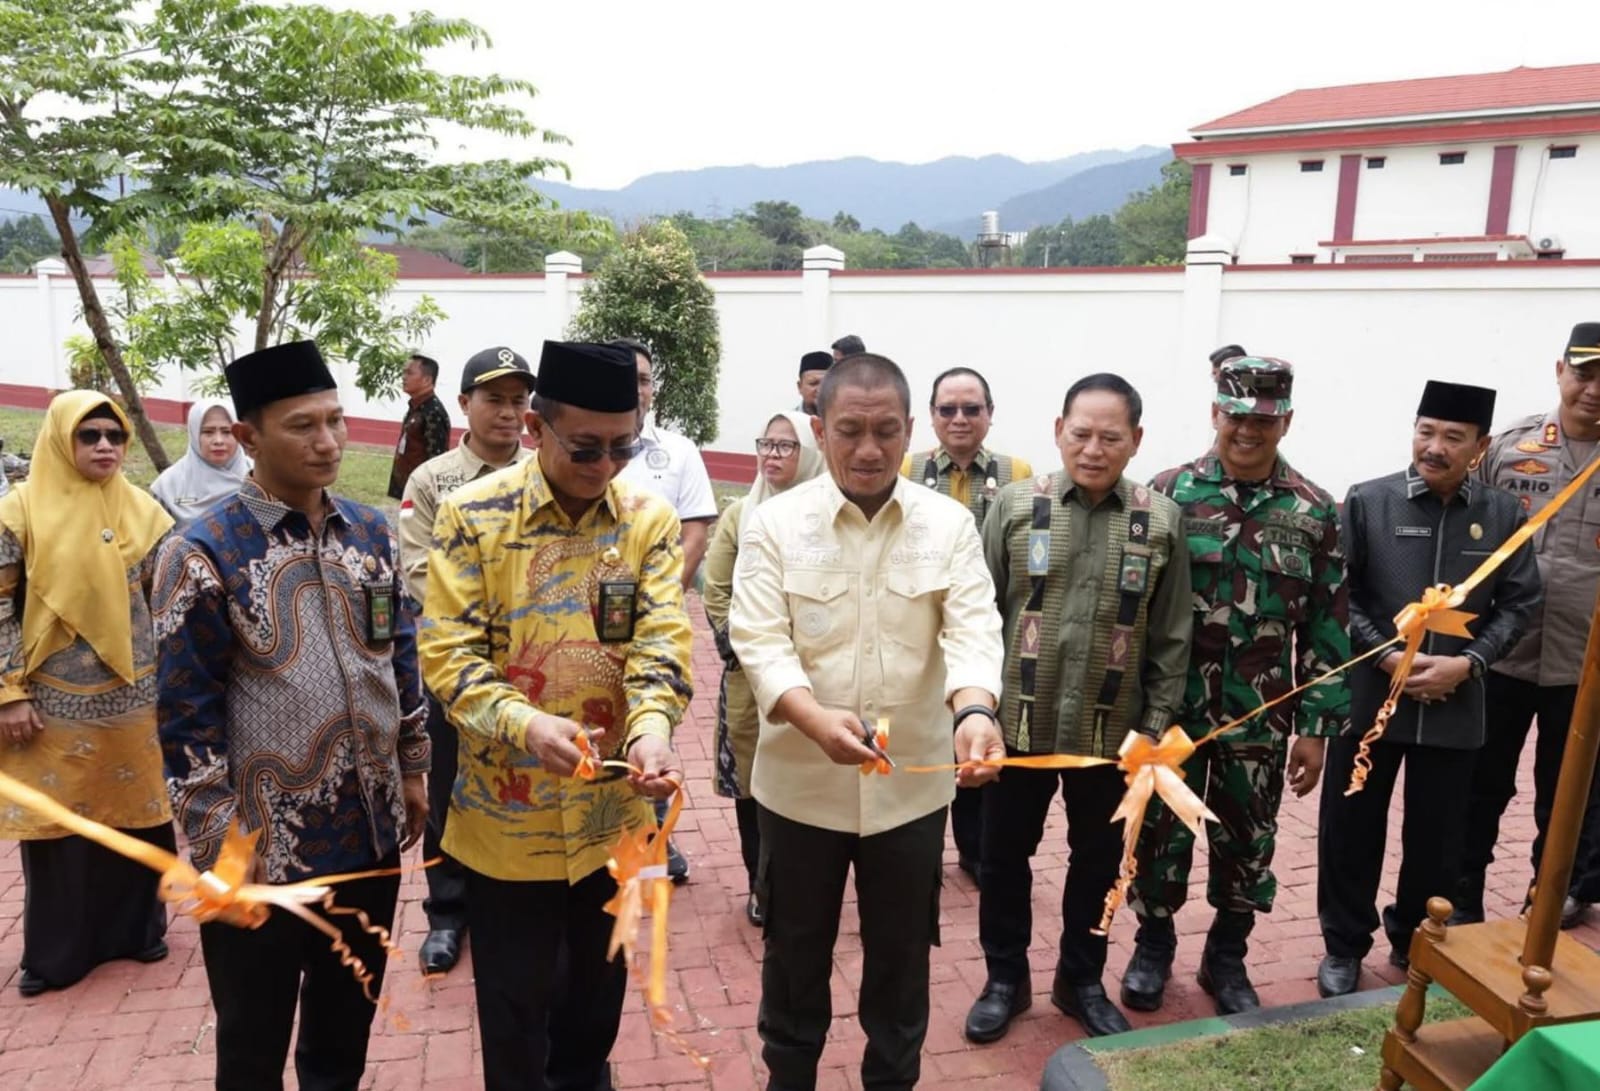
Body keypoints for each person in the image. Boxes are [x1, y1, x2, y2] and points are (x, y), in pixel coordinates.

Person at [154, 340, 431, 1088]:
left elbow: (400, 654)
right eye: (303, 425)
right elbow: (183, 716)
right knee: (252, 1043)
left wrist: (413, 768)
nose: (329, 441)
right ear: (249, 437)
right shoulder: (202, 552)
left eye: (336, 420)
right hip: (259, 848)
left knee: (344, 1032)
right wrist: (218, 842)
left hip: (368, 830)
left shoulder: (370, 532)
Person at [419, 339, 691, 1091]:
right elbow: (448, 656)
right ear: (537, 429)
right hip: (507, 822)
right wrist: (525, 724)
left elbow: (662, 640)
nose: (605, 465)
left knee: (595, 1007)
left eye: (622, 447)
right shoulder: (474, 516)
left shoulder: (647, 520)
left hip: (611, 816)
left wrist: (653, 729)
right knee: (514, 1013)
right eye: (585, 447)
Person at [729, 353, 1005, 1090]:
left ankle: (892, 1078)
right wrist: (811, 717)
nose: (869, 449)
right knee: (794, 956)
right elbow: (759, 638)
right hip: (800, 789)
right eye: (849, 430)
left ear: (910, 430)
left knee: (901, 959)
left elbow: (974, 627)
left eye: (886, 430)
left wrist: (975, 709)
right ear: (820, 430)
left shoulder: (948, 525)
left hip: (909, 791)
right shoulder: (776, 524)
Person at [967, 372, 1191, 1043]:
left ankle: (1081, 980)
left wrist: (1153, 728)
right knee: (1002, 859)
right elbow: (978, 616)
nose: (1094, 449)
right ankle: (1004, 980)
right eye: (1082, 433)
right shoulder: (1014, 506)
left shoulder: (1161, 519)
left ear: (1136, 440)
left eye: (1110, 437)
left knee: (1098, 863)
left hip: (1113, 735)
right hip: (1017, 727)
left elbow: (1171, 634)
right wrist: (977, 709)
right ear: (1059, 430)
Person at [1124, 357, 1349, 1017]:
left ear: (1286, 421)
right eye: (1236, 415)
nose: (1248, 430)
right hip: (1172, 712)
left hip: (1260, 716)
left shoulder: (1313, 509)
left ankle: (1227, 955)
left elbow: (1328, 624)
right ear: (1215, 413)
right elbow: (1132, 609)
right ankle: (1153, 945)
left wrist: (1317, 729)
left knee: (1248, 839)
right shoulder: (1165, 495)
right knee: (1159, 832)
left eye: (1264, 420)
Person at [1316, 380, 1541, 998]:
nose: (1434, 447)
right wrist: (1386, 656)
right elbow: (1342, 594)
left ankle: (1415, 939)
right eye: (1426, 432)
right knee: (1350, 827)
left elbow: (1519, 603)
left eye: (1452, 437)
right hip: (1369, 700)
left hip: (1456, 703)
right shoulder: (1368, 502)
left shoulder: (1502, 515)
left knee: (1439, 838)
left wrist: (1468, 664)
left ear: (1480, 447)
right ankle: (1343, 945)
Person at [0, 392, 176, 998]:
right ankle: (60, 955)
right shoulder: (17, 513)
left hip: (136, 696)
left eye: (114, 436)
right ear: (60, 440)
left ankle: (137, 933)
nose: (105, 446)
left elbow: (166, 601)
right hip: (50, 705)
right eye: (89, 435)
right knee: (61, 828)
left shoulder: (144, 509)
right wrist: (8, 693)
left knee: (139, 815)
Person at [397, 346, 536, 977]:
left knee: (525, 784)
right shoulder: (432, 481)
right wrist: (502, 617)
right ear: (464, 404)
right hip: (456, 667)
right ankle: (448, 914)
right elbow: (419, 572)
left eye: (518, 401)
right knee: (451, 787)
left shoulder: (546, 472)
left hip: (534, 667)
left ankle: (515, 898)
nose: (508, 413)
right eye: (494, 400)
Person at [1459, 321, 1600, 929]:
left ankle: (1558, 887)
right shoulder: (1509, 448)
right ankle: (1461, 890)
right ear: (1560, 370)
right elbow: (1463, 533)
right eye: (1584, 373)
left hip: (1586, 660)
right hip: (1502, 650)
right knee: (1480, 780)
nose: (1594, 389)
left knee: (1573, 787)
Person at [900, 366, 1034, 883]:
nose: (960, 419)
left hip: (984, 631)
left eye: (971, 409)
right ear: (931, 416)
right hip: (919, 631)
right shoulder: (907, 469)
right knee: (923, 741)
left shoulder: (1017, 472)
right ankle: (919, 852)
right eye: (948, 409)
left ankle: (975, 853)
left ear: (990, 414)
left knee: (977, 736)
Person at [701, 410, 824, 926]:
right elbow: (716, 590)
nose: (772, 455)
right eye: (766, 444)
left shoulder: (825, 515)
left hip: (815, 679)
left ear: (809, 454)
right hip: (749, 680)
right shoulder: (740, 515)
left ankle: (804, 886)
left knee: (806, 783)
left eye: (785, 446)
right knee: (753, 789)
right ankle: (761, 885)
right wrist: (749, 649)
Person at [612, 338, 715, 883]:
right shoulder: (578, 448)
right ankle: (604, 834)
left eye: (645, 379)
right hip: (584, 621)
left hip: (656, 617)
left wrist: (659, 601)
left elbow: (696, 529)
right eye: (626, 377)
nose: (637, 389)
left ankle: (656, 835)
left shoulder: (677, 451)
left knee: (654, 713)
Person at [149, 397, 252, 527]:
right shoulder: (168, 486)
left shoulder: (259, 477)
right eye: (208, 432)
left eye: (227, 432)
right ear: (194, 434)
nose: (218, 440)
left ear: (238, 433)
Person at [387, 352, 451, 500]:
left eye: (409, 373)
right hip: (407, 486)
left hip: (421, 492)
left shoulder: (433, 412)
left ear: (427, 380)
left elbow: (437, 459)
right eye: (404, 372)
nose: (403, 377)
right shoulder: (415, 407)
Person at [796, 350, 832, 416]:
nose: (820, 389)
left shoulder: (846, 418)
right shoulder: (789, 421)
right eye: (813, 383)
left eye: (825, 383)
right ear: (800, 387)